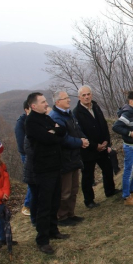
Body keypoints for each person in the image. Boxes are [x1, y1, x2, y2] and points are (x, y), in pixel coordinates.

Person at [25, 92, 70, 255]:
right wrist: (53, 132)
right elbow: (47, 139)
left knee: (54, 201)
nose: (46, 104)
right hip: (43, 169)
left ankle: (53, 230)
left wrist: (54, 131)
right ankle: (42, 240)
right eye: (43, 102)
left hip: (55, 166)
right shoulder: (31, 122)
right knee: (44, 205)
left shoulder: (45, 118)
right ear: (33, 106)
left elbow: (62, 131)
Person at [73, 86, 119, 208]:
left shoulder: (96, 107)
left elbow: (103, 125)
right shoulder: (76, 112)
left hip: (102, 146)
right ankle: (89, 200)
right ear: (79, 97)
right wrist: (94, 146)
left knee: (108, 169)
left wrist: (106, 142)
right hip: (88, 150)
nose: (87, 97)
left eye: (88, 94)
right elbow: (80, 132)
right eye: (84, 95)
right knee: (88, 175)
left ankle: (110, 191)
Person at [48, 91, 88, 226]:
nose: (69, 101)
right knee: (65, 191)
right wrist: (80, 142)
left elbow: (77, 129)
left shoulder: (69, 114)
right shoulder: (55, 117)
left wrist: (83, 139)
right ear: (57, 102)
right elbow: (63, 139)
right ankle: (62, 217)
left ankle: (71, 213)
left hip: (74, 157)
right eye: (65, 99)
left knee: (74, 189)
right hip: (65, 159)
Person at [112, 91, 133, 206]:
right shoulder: (127, 113)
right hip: (130, 147)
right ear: (131, 101)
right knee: (128, 171)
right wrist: (128, 133)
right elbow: (116, 127)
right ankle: (126, 197)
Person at [14, 100, 32, 217]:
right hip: (27, 155)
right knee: (32, 179)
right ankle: (27, 205)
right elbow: (22, 145)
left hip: (37, 154)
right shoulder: (20, 124)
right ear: (27, 109)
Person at [0, 140, 11, 250]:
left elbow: (6, 179)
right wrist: (1, 195)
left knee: (2, 220)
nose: (1, 154)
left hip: (1, 199)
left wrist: (6, 193)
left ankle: (3, 238)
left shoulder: (1, 165)